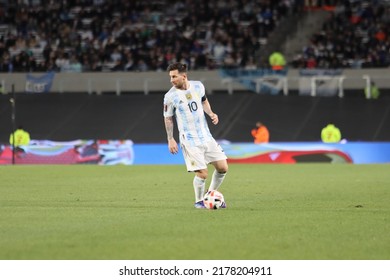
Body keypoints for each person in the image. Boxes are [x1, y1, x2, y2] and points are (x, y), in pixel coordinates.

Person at [163, 62, 228, 209]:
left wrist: (211, 113)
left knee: (223, 167)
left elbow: (204, 101)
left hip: (206, 136)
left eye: (174, 76)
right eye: (170, 77)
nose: (171, 80)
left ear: (184, 76)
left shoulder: (198, 86)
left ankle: (210, 194)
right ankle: (199, 201)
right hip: (190, 140)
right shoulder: (170, 96)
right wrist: (170, 138)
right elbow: (168, 118)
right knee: (202, 173)